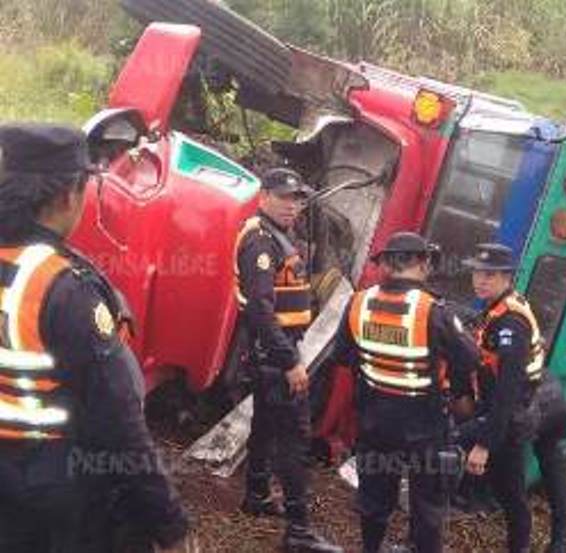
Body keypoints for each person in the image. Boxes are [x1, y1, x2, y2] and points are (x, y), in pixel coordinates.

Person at [0, 124, 189, 552]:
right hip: (55, 505)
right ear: (68, 196)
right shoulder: (64, 288)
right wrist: (169, 523)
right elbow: (120, 422)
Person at [331, 231, 480, 553]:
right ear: (422, 263)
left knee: (374, 499)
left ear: (386, 264)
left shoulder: (358, 302)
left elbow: (341, 355)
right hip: (424, 427)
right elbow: (469, 358)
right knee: (427, 507)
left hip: (374, 421)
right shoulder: (433, 310)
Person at [235, 167, 343, 553]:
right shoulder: (260, 242)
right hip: (276, 353)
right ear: (263, 195)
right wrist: (289, 362)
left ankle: (257, 494)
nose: (291, 206)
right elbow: (261, 310)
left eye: (297, 199)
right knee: (296, 439)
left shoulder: (277, 234)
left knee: (265, 424)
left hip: (274, 350)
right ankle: (299, 531)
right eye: (283, 197)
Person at [460, 243, 566, 553]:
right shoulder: (499, 306)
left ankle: (549, 542)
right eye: (477, 272)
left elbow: (507, 391)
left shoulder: (510, 322)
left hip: (529, 408)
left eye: (490, 275)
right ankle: (558, 539)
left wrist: (484, 444)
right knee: (527, 475)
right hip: (536, 397)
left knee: (511, 490)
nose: (480, 280)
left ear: (508, 277)